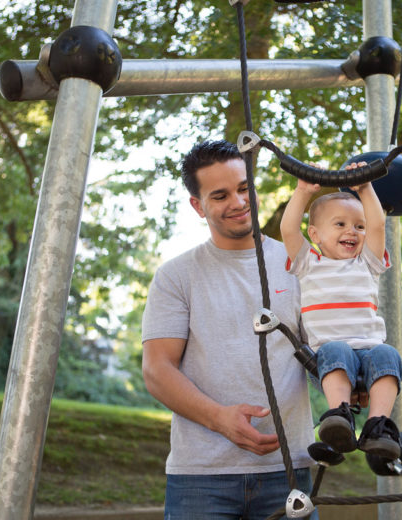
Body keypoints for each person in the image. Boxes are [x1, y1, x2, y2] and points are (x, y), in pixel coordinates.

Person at [142, 140, 316, 520]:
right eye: (220, 195)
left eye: (243, 188)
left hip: (289, 468)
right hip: (201, 477)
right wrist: (219, 418)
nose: (238, 202)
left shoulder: (299, 262)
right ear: (197, 205)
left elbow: (322, 352)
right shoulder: (176, 275)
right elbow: (157, 371)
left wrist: (352, 385)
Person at [280, 175, 402, 460]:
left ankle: (377, 424)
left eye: (359, 226)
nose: (353, 231)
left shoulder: (367, 262)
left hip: (369, 352)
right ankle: (340, 415)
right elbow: (288, 228)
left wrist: (365, 188)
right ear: (315, 234)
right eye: (340, 224)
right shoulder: (308, 262)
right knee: (338, 348)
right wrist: (302, 191)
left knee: (388, 353)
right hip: (328, 357)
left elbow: (378, 224)